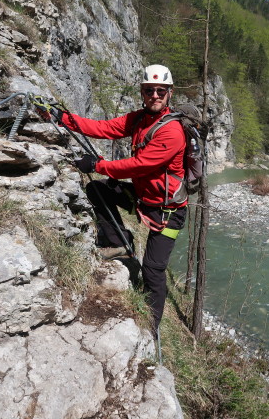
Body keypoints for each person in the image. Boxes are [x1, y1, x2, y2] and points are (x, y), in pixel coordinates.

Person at [41, 64, 187, 335]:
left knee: (154, 271)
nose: (154, 95)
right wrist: (62, 118)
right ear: (142, 93)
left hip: (168, 211)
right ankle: (120, 242)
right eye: (149, 90)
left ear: (169, 94)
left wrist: (98, 164)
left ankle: (152, 326)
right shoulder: (139, 119)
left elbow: (139, 166)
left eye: (160, 91)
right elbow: (103, 128)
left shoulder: (172, 132)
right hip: (143, 199)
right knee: (98, 190)